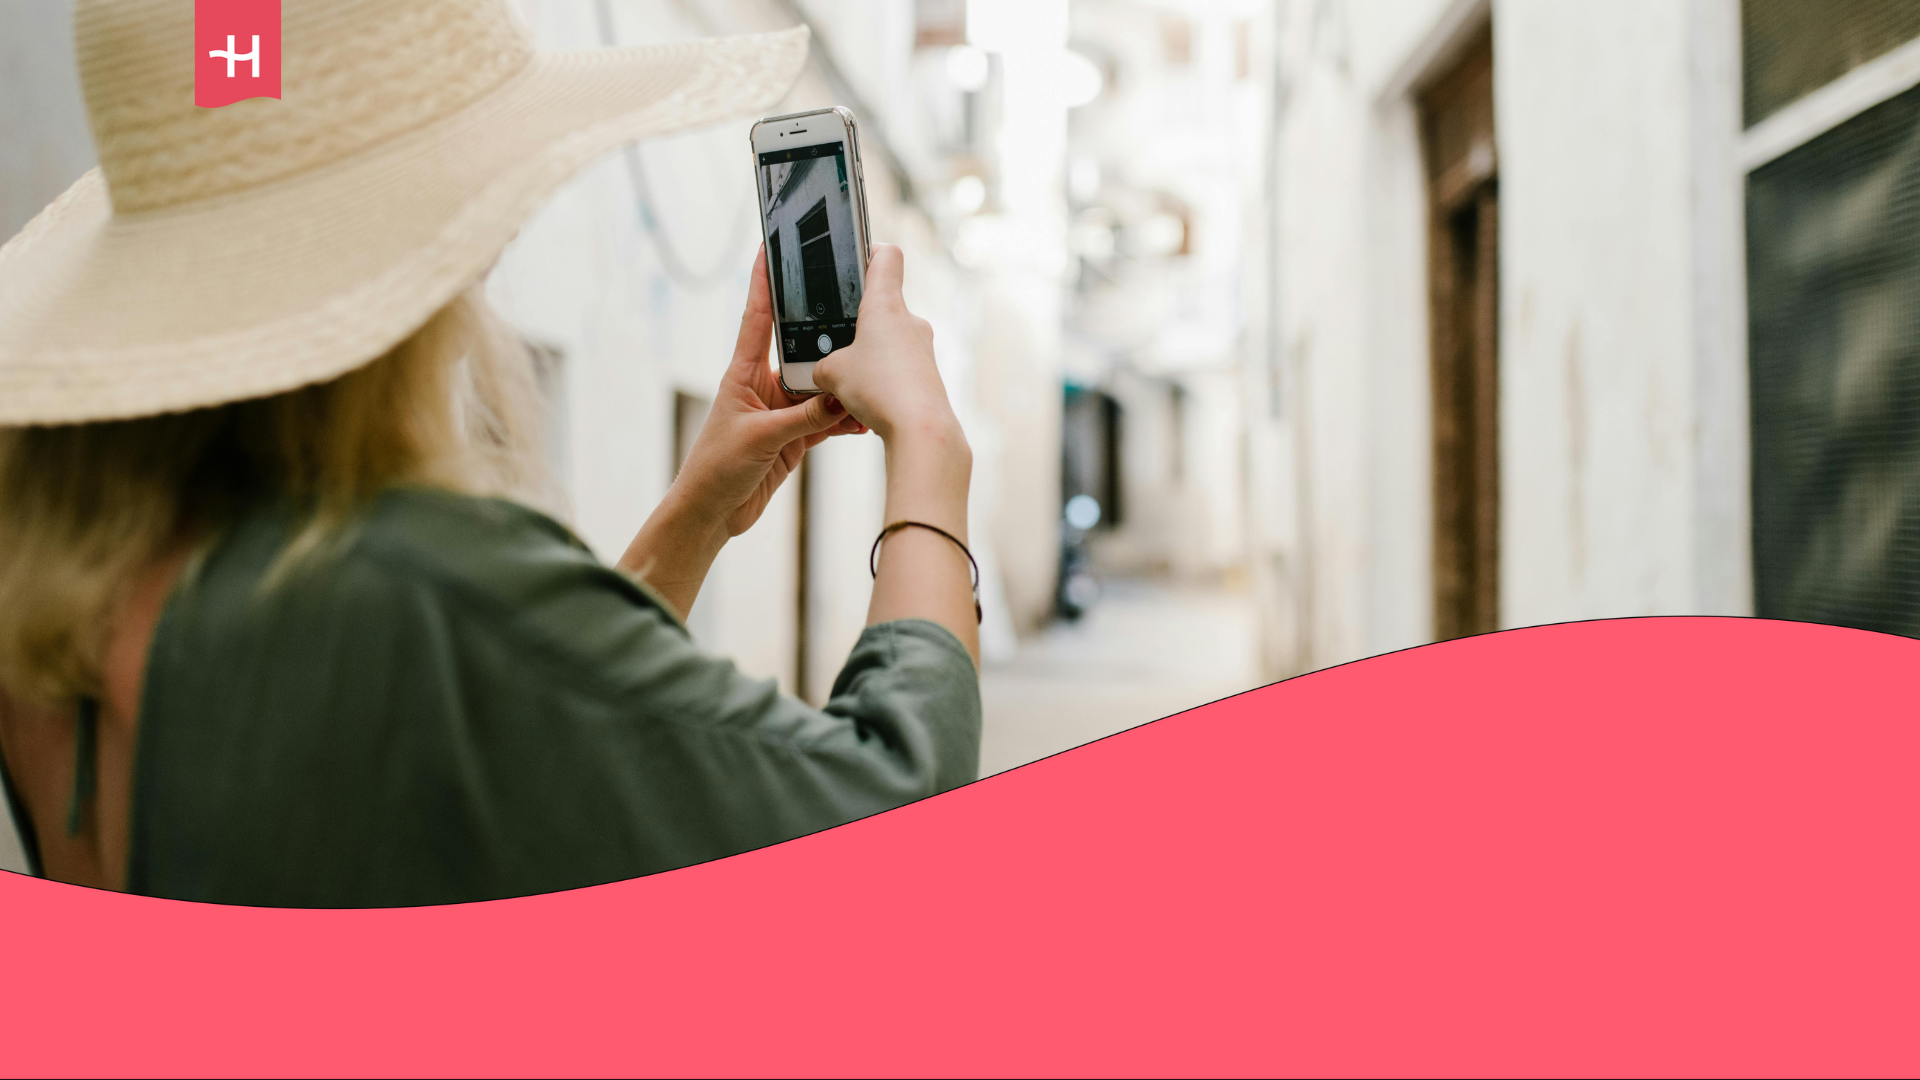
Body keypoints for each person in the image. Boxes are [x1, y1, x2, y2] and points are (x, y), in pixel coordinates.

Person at [0, 1, 980, 906]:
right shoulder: (413, 583)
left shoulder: (58, 574)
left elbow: (535, 710)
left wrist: (695, 513)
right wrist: (929, 447)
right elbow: (893, 801)